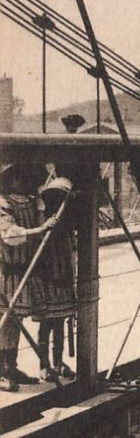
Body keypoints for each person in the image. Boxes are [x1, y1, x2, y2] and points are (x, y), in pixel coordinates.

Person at [0, 163, 58, 391]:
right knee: (6, 321)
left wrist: (42, 213)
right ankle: (3, 371)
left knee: (16, 321)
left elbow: (39, 222)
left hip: (26, 268)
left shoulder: (31, 200)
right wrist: (39, 229)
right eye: (17, 177)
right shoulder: (3, 203)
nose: (22, 181)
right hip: (7, 269)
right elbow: (9, 235)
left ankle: (11, 367)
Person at [33, 177, 77, 382]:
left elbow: (70, 254)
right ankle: (44, 365)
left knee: (59, 324)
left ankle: (58, 363)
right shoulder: (44, 220)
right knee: (46, 325)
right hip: (47, 280)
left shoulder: (66, 224)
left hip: (63, 280)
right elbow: (39, 241)